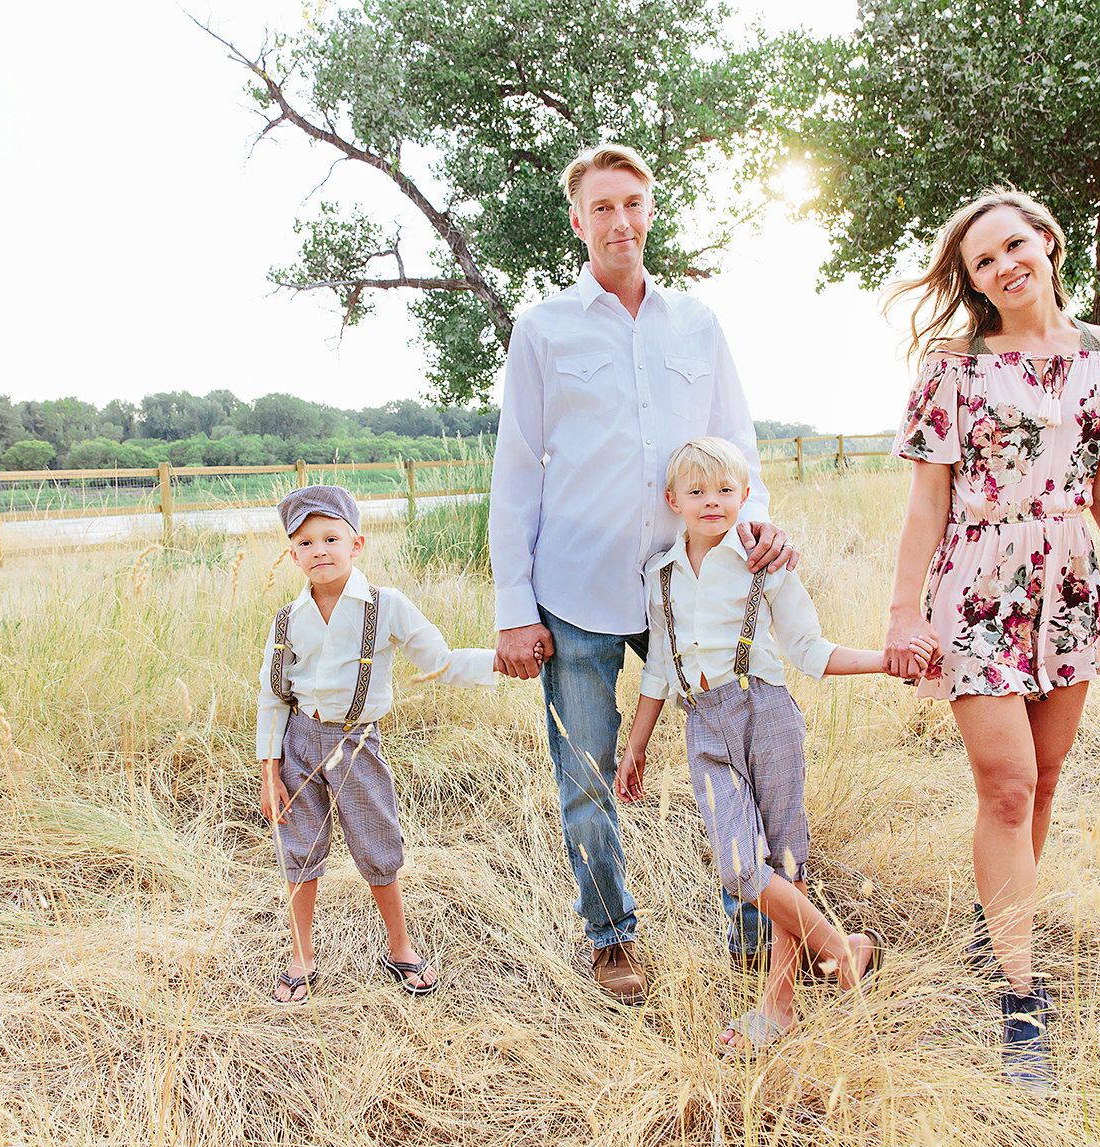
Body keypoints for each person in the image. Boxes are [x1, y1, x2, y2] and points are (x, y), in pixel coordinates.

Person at [488, 143, 795, 1004]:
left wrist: (755, 523)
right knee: (586, 777)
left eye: (632, 203)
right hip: (576, 593)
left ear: (649, 212)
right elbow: (517, 471)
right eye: (601, 207)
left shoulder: (697, 324)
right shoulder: (543, 329)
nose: (618, 221)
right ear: (578, 221)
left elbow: (739, 440)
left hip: (691, 589)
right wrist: (515, 606)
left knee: (731, 764)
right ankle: (611, 937)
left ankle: (752, 929)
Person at [882, 188, 1100, 1089]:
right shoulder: (952, 368)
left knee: (1042, 783)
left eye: (1013, 247)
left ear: (1046, 242)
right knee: (1004, 787)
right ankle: (1020, 998)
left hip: (1070, 582)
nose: (1005, 267)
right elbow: (927, 499)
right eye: (983, 263)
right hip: (976, 586)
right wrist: (902, 610)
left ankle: (998, 921)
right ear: (973, 283)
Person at [615, 437, 928, 1054]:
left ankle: (779, 1005)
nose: (713, 501)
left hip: (767, 711)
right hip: (704, 724)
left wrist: (884, 663)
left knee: (784, 860)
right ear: (672, 499)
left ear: (746, 495)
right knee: (737, 866)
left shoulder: (766, 564)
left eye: (726, 490)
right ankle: (844, 950)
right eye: (698, 491)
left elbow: (810, 650)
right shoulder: (659, 574)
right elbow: (657, 665)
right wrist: (637, 744)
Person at [257, 484, 506, 1005]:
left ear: (357, 543)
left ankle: (401, 946)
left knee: (377, 846)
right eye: (304, 543)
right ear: (292, 553)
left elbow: (438, 661)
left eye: (330, 538)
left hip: (356, 744)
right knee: (299, 851)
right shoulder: (287, 619)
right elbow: (273, 697)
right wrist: (270, 771)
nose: (318, 551)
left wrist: (500, 661)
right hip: (299, 742)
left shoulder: (384, 606)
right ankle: (301, 956)